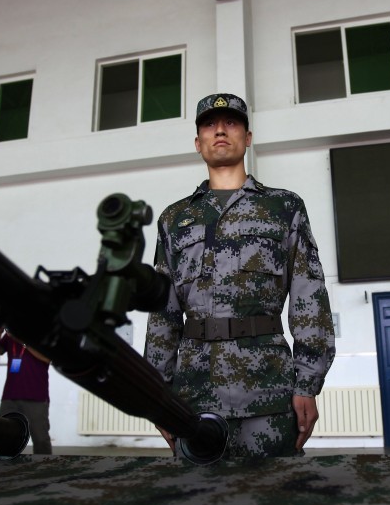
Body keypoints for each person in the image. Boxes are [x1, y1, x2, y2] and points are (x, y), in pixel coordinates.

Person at [144, 93, 336, 458]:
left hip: (269, 391)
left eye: (231, 123)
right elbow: (162, 312)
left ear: (247, 138)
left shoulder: (283, 206)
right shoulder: (174, 219)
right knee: (196, 503)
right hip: (192, 396)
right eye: (209, 125)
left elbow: (309, 293)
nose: (220, 130)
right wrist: (158, 397)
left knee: (273, 502)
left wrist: (307, 383)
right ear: (198, 142)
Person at [0, 328, 52, 454]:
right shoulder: (9, 336)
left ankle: (44, 469)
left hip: (36, 397)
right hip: (10, 396)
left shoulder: (43, 334)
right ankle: (4, 467)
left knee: (40, 439)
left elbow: (47, 359)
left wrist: (22, 341)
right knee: (1, 434)